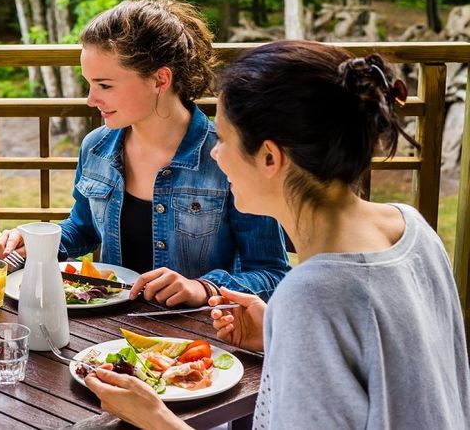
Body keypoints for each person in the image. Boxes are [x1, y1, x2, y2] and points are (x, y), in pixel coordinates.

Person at [85, 41, 470, 429]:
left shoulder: (311, 295)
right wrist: (277, 334)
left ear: (270, 158)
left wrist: (154, 419)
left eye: (223, 140)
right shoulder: (412, 228)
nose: (214, 156)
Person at [0, 0, 290, 306]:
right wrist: (37, 241)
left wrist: (202, 288)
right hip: (104, 338)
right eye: (89, 84)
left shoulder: (229, 157)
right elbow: (82, 228)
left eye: (104, 85)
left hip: (198, 343)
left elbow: (271, 273)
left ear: (160, 79)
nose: (91, 100)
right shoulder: (95, 147)